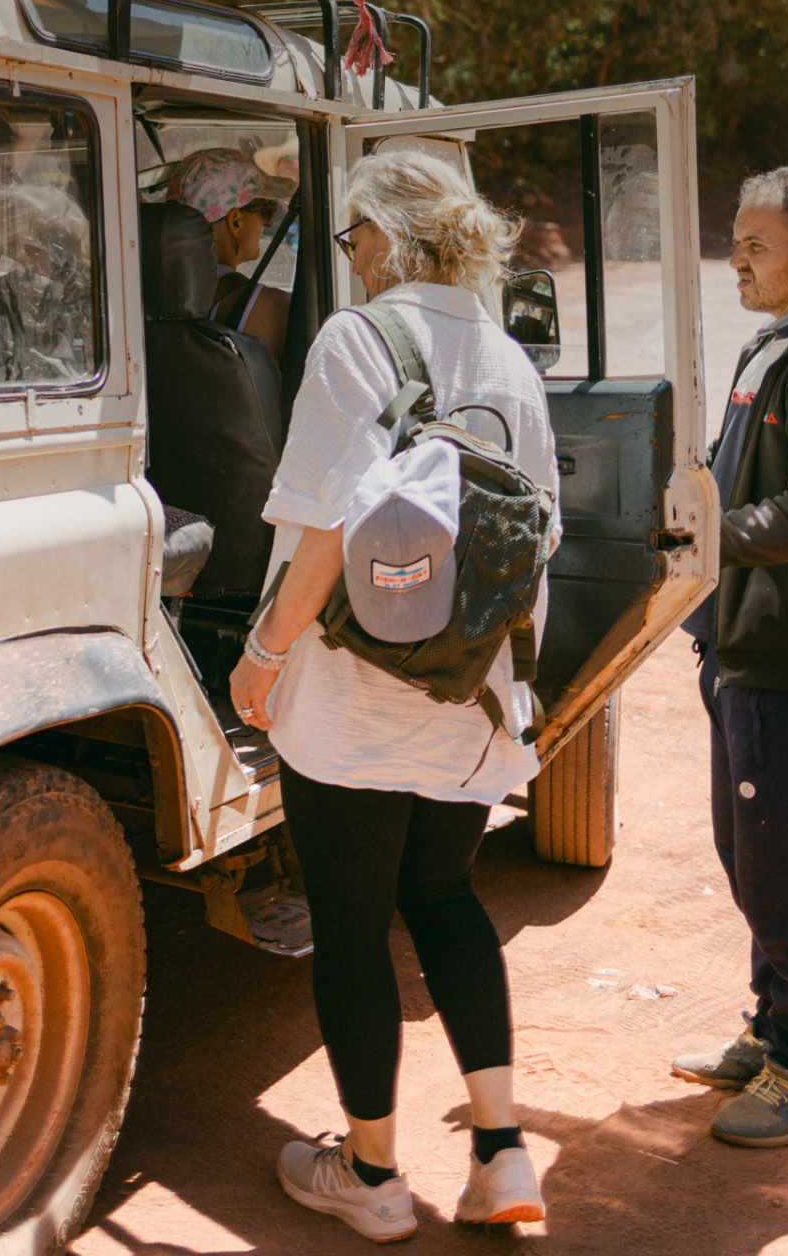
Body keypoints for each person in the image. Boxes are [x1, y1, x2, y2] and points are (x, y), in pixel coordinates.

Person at [229, 146, 559, 1241]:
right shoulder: (509, 357)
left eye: (350, 235)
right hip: (468, 695)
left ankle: (372, 1175)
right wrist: (505, 682)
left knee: (355, 924)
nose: (351, 255)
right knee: (448, 898)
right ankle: (503, 1151)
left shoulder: (354, 338)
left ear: (379, 233)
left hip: (353, 700)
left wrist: (265, 652)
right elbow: (537, 535)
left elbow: (326, 525)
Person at [672, 167, 788, 1146]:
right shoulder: (772, 344)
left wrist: (703, 537)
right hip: (740, 645)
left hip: (785, 655)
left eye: (757, 241)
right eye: (736, 238)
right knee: (750, 855)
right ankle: (773, 1025)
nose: (737, 256)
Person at [165, 147, 291, 357]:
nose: (266, 225)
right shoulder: (272, 308)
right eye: (266, 211)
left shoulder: (146, 291)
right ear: (235, 222)